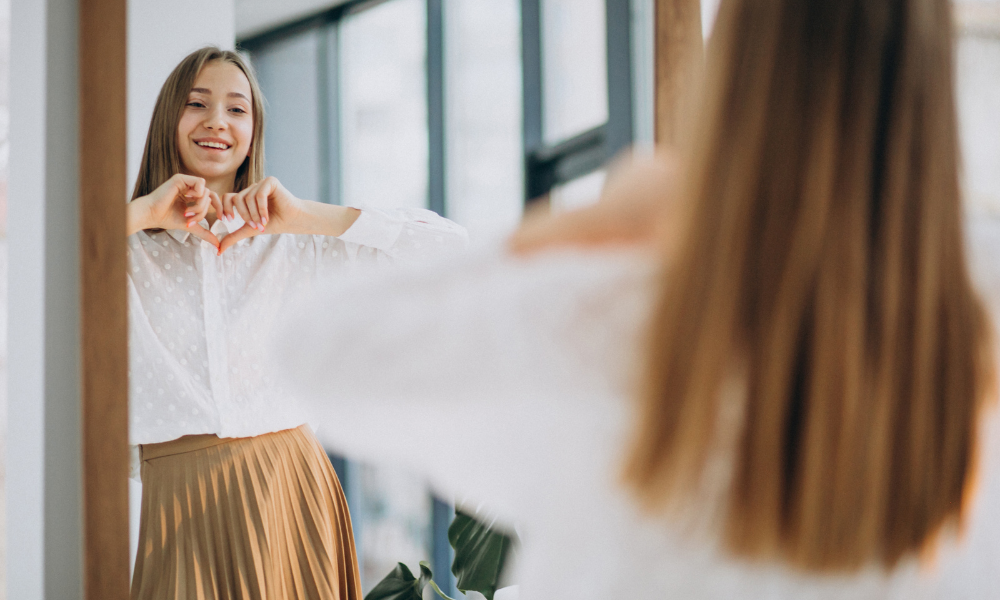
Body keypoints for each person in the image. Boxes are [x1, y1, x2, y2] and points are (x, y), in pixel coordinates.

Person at [273, 0, 1000, 598]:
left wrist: (597, 220)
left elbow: (316, 348)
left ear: (736, 79)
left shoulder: (637, 317)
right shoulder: (977, 318)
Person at [125, 47, 467, 600]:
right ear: (169, 119)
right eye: (197, 104)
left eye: (237, 109)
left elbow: (450, 249)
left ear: (253, 133)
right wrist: (140, 213)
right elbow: (25, 275)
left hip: (288, 487)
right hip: (178, 500)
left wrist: (308, 217)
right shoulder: (126, 252)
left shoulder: (296, 245)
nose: (217, 121)